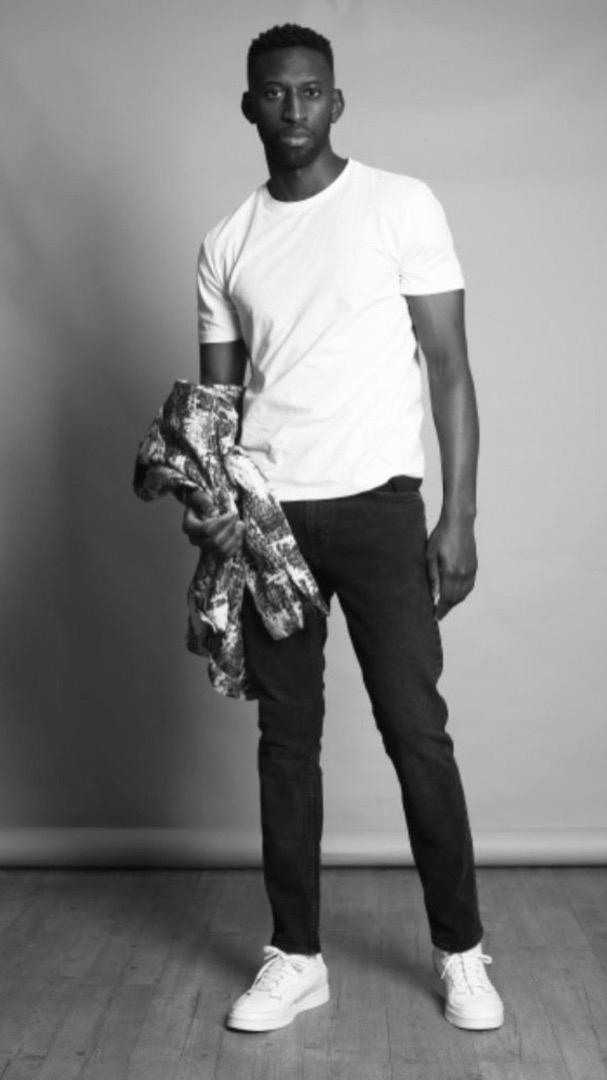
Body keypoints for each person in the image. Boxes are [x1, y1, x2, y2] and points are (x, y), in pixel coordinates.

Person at [182, 22, 504, 1034]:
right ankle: (296, 956)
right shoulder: (226, 243)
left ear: (336, 101)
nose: (292, 108)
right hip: (269, 522)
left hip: (377, 508)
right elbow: (217, 408)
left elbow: (448, 368)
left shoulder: (399, 204)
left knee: (415, 732)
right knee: (286, 742)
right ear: (248, 105)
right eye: (274, 92)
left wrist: (459, 513)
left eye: (310, 90)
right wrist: (210, 511)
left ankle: (461, 951)